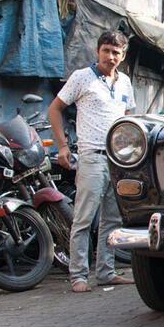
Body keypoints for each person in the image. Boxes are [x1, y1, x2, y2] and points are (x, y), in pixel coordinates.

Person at [50, 30, 136, 293]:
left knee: (112, 220)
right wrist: (62, 146)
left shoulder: (125, 83)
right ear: (98, 51)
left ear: (122, 56)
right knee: (84, 218)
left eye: (116, 52)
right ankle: (78, 275)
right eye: (106, 50)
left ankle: (106, 273)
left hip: (118, 161)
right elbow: (55, 108)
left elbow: (128, 118)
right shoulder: (82, 77)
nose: (111, 56)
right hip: (91, 157)